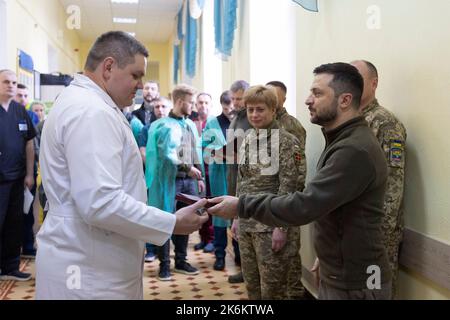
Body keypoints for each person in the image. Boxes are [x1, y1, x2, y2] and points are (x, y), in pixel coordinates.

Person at [37, 31, 208, 299]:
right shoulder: (91, 111)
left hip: (88, 256)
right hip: (91, 269)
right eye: (136, 75)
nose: (141, 85)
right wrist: (171, 222)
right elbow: (100, 202)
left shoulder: (87, 103)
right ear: (108, 67)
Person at [208, 63, 392, 300]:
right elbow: (337, 209)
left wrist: (241, 206)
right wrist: (328, 257)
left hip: (359, 279)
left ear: (344, 100)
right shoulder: (341, 141)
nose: (307, 100)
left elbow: (305, 204)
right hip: (341, 271)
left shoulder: (354, 149)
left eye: (317, 93)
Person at [234, 85, 304, 299]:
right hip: (248, 223)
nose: (254, 114)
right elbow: (242, 180)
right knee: (253, 287)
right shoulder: (247, 138)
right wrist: (236, 216)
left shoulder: (286, 141)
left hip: (270, 226)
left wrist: (281, 227)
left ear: (273, 110)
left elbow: (290, 186)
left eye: (260, 109)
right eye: (250, 109)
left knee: (273, 291)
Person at [351, 60, 407, 297]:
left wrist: (377, 235)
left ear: (374, 84)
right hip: (353, 229)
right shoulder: (352, 121)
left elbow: (393, 184)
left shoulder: (385, 123)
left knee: (374, 293)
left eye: (358, 79)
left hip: (375, 233)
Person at [145, 84, 205, 281]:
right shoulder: (164, 125)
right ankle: (164, 265)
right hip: (170, 181)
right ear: (180, 102)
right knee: (166, 221)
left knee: (185, 220)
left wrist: (200, 176)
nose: (194, 107)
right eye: (191, 103)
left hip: (190, 182)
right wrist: (188, 168)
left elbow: (196, 151)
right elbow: (166, 153)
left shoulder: (189, 124)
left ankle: (181, 260)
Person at [266, 80, 307, 299]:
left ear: (283, 99)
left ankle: (295, 295)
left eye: (274, 95)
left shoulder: (291, 126)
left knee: (290, 256)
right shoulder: (262, 125)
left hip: (287, 200)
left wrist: (291, 203)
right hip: (267, 202)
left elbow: (297, 169)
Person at [0, 70, 35, 281]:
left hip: (18, 179)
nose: (11, 85)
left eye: (14, 82)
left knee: (14, 223)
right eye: (6, 82)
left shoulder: (20, 112)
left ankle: (10, 267)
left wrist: (30, 173)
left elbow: (29, 143)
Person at [201, 90, 235, 270]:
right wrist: (217, 152)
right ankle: (220, 254)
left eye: (233, 105)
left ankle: (238, 254)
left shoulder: (242, 122)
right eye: (226, 106)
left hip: (237, 175)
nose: (230, 109)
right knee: (220, 214)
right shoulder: (213, 123)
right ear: (222, 105)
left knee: (238, 214)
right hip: (219, 174)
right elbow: (204, 148)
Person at [137, 96, 172, 262]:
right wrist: (155, 165)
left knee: (170, 212)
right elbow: (142, 151)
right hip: (153, 177)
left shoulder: (175, 127)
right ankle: (151, 249)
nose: (160, 109)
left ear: (170, 108)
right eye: (157, 107)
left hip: (172, 178)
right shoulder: (147, 129)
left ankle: (174, 254)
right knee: (152, 212)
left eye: (164, 106)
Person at [226, 80, 250, 284]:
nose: (235, 102)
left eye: (238, 98)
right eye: (233, 98)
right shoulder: (236, 118)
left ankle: (247, 270)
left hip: (245, 179)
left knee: (243, 225)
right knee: (234, 226)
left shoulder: (250, 119)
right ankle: (242, 266)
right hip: (232, 177)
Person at [191, 93, 215, 253]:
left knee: (211, 205)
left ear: (210, 105)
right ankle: (203, 237)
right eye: (200, 102)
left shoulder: (214, 123)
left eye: (206, 102)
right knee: (200, 205)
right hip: (197, 172)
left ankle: (211, 239)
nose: (203, 105)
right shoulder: (192, 123)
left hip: (211, 172)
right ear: (195, 105)